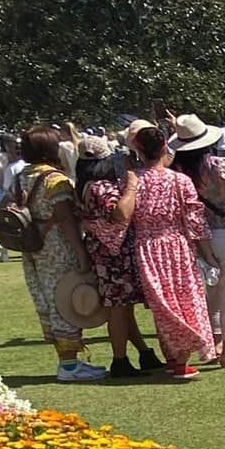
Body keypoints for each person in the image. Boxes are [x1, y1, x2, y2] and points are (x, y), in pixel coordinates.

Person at [6, 124, 105, 381]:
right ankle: (69, 365)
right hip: (57, 246)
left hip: (31, 247)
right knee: (66, 298)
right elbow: (66, 220)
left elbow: (4, 208)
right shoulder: (55, 180)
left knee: (48, 299)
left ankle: (67, 361)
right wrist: (81, 253)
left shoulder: (20, 176)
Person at [121, 122, 218, 378]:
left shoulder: (133, 181)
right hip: (177, 245)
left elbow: (123, 217)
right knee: (185, 300)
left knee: (162, 304)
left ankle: (174, 358)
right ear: (165, 146)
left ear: (138, 150)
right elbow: (196, 220)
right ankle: (181, 358)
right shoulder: (180, 180)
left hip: (147, 246)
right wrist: (207, 253)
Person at [170, 115, 225, 367]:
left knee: (212, 293)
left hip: (197, 236)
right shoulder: (216, 163)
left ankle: (216, 343)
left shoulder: (178, 170)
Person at [72, 135, 160, 377]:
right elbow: (121, 214)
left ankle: (144, 353)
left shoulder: (84, 185)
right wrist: (131, 186)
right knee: (119, 309)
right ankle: (120, 360)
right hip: (114, 254)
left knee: (122, 308)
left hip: (102, 252)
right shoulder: (102, 187)